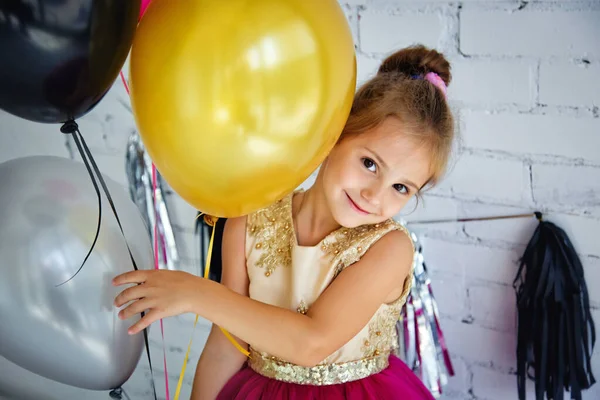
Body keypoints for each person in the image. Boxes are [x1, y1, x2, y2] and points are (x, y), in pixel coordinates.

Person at [113, 44, 455, 399]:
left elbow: (313, 342)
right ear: (335, 134)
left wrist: (196, 293)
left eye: (400, 187)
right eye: (369, 163)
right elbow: (228, 343)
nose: (374, 195)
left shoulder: (389, 248)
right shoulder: (251, 216)